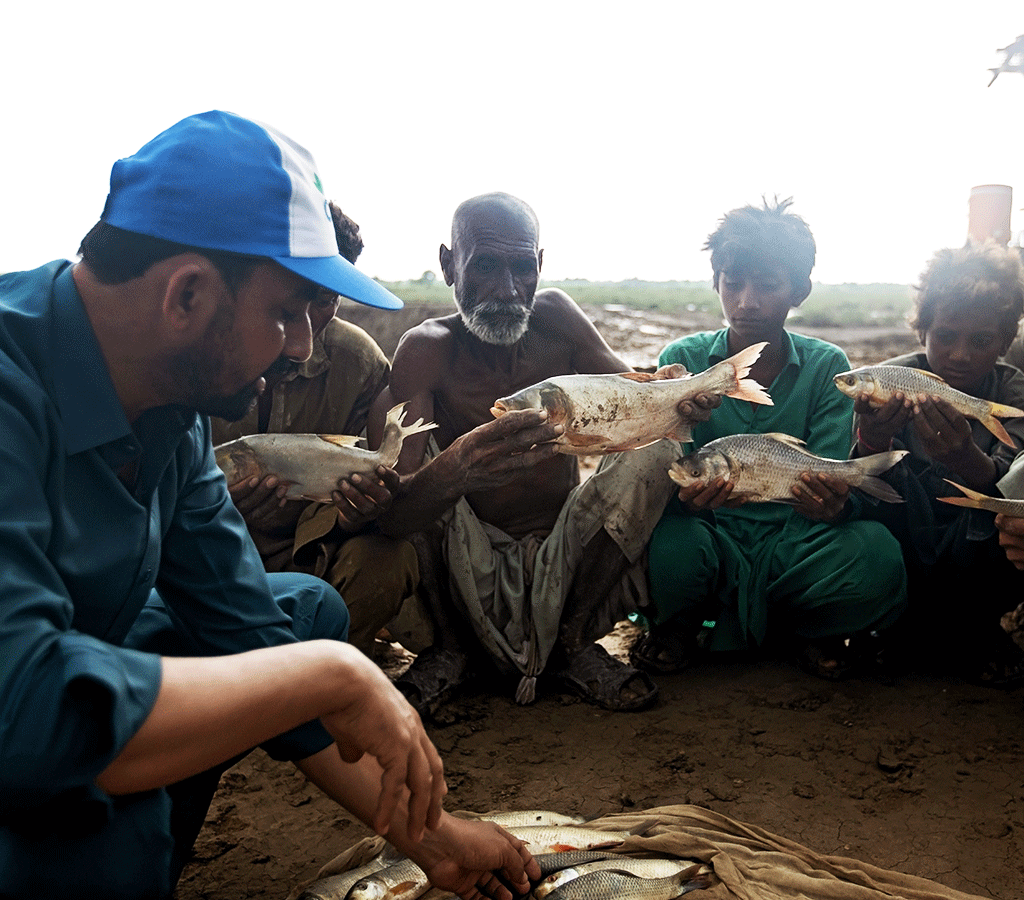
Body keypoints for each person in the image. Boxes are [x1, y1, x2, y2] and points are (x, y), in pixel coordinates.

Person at [0, 111, 538, 900]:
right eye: (286, 313)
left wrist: (437, 841)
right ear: (186, 295)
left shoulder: (171, 413)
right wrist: (331, 678)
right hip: (24, 712)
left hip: (69, 688)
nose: (301, 347)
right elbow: (24, 713)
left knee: (297, 619)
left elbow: (244, 624)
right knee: (97, 836)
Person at [368, 192, 714, 714]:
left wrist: (676, 395)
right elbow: (396, 516)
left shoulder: (556, 318)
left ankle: (572, 642)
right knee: (412, 457)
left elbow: (632, 394)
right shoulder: (427, 349)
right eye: (484, 266)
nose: (507, 291)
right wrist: (457, 468)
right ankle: (450, 648)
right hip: (467, 569)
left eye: (521, 267)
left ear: (540, 265)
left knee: (659, 446)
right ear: (448, 266)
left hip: (568, 558)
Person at [637, 197, 907, 679]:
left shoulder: (827, 366)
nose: (747, 302)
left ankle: (809, 625)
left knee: (876, 555)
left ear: (799, 290)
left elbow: (825, 482)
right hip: (712, 536)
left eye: (767, 285)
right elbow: (667, 470)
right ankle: (677, 627)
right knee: (667, 547)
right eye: (733, 284)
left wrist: (833, 505)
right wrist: (691, 502)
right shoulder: (684, 357)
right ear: (715, 282)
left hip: (797, 539)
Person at [211, 201, 423, 656]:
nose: (304, 336)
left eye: (325, 301)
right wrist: (216, 513)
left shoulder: (359, 361)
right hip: (206, 552)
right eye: (293, 301)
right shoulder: (203, 347)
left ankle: (324, 673)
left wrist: (353, 510)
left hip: (306, 554)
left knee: (387, 559)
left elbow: (368, 487)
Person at [851, 241, 1024, 685]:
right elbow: (856, 491)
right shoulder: (887, 382)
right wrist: (871, 439)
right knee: (867, 516)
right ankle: (896, 626)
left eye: (981, 341)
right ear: (922, 331)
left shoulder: (1013, 392)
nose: (960, 355)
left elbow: (1013, 493)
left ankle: (981, 632)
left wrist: (966, 459)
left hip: (979, 549)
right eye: (946, 336)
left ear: (1006, 341)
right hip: (907, 530)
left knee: (1009, 523)